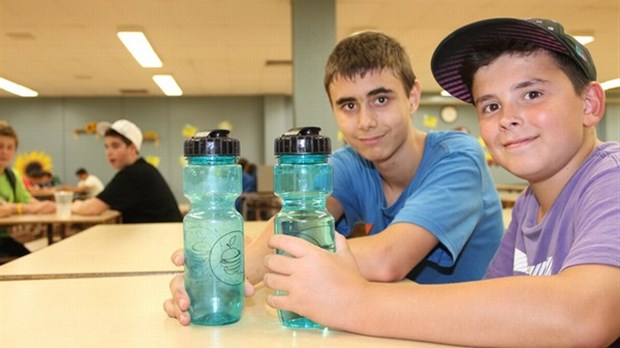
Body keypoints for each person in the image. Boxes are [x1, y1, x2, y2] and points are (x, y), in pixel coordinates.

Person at [259, 18, 619, 346]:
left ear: (589, 103)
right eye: (491, 106)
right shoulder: (530, 204)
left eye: (532, 94)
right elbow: (495, 310)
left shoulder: (612, 176)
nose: (509, 117)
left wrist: (353, 301)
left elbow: (585, 315)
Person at [164, 31, 504, 324]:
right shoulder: (350, 164)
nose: (366, 121)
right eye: (348, 106)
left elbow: (388, 259)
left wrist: (257, 264)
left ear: (412, 96)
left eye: (380, 99)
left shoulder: (459, 157)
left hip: (471, 330)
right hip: (393, 325)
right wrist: (210, 279)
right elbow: (286, 228)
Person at [71, 119, 182, 223]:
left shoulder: (133, 174)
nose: (109, 152)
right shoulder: (143, 168)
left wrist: (68, 205)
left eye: (115, 146)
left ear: (132, 148)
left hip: (163, 239)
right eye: (106, 147)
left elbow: (92, 209)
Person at [0, 122, 56, 258]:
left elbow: (26, 199)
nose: (4, 151)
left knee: (32, 260)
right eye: (0, 146)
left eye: (10, 147)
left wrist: (43, 206)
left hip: (4, 238)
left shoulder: (12, 175)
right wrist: (22, 209)